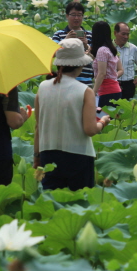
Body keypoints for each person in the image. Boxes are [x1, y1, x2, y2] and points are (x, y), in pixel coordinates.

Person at [34, 38, 111, 191]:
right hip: (78, 157)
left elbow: (38, 127)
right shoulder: (85, 91)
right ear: (81, 64)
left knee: (53, 205)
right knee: (80, 207)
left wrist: (36, 158)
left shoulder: (42, 87)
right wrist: (102, 122)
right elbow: (90, 129)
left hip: (47, 155)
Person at [52, 2, 93, 87]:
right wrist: (65, 40)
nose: (76, 18)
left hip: (86, 81)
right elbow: (52, 54)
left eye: (79, 15)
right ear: (67, 16)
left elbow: (95, 58)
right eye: (73, 15)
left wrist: (86, 46)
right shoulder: (58, 35)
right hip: (64, 81)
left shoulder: (90, 35)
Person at [91, 21, 123, 107]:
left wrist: (93, 92)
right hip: (115, 89)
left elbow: (102, 73)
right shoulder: (110, 49)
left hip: (106, 91)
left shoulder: (102, 50)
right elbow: (120, 69)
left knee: (103, 118)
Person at [115, 22, 137, 100]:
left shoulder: (133, 48)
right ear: (115, 33)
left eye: (127, 34)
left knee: (127, 109)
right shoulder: (109, 48)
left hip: (129, 84)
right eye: (123, 34)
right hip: (113, 83)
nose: (126, 37)